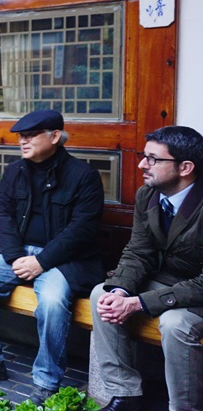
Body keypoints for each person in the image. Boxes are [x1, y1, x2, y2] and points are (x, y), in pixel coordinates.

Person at [0, 109, 104, 405]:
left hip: (66, 259)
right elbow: (2, 214)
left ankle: (47, 380)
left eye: (31, 136)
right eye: (21, 137)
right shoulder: (15, 171)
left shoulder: (84, 176)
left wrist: (41, 262)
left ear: (55, 137)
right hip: (18, 253)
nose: (23, 142)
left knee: (53, 302)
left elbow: (82, 229)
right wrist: (16, 256)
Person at [90, 126, 203, 411]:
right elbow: (138, 251)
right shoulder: (147, 195)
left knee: (176, 324)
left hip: (198, 290)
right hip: (166, 280)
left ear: (185, 167)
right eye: (144, 156)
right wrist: (120, 290)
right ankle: (125, 394)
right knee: (100, 295)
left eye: (153, 159)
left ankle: (184, 407)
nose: (142, 164)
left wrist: (139, 303)